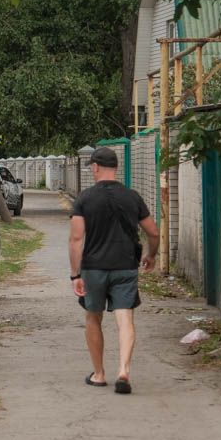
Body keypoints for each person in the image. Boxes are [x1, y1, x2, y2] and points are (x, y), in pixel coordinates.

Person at [69, 146, 160, 395]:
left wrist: (75, 274)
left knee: (93, 317)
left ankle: (99, 374)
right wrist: (151, 255)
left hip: (94, 269)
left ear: (95, 167)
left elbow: (76, 240)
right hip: (125, 266)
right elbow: (153, 231)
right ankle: (124, 370)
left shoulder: (85, 199)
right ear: (116, 167)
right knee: (125, 319)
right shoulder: (132, 197)